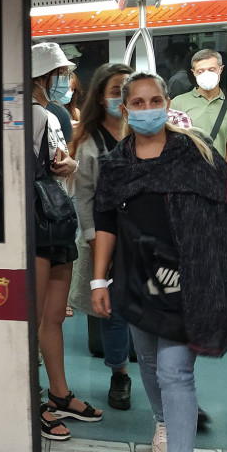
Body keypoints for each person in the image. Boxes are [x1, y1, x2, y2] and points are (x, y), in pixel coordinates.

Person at [92, 71, 227, 452]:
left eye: (155, 100)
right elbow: (106, 223)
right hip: (137, 279)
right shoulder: (116, 163)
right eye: (138, 102)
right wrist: (99, 279)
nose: (147, 109)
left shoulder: (193, 151)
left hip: (189, 278)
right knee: (149, 363)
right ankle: (164, 423)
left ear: (166, 102)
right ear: (125, 107)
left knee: (175, 370)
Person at [31, 43, 100, 442]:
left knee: (53, 315)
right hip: (40, 222)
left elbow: (61, 170)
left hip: (56, 217)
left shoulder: (54, 115)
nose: (65, 81)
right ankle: (33, 398)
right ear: (43, 78)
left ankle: (59, 393)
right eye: (59, 74)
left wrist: (70, 167)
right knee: (35, 318)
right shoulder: (28, 116)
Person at [69, 63, 134, 411]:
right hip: (106, 241)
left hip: (148, 240)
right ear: (100, 96)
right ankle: (119, 374)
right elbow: (84, 200)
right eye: (115, 91)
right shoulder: (90, 143)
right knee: (114, 313)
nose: (122, 99)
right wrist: (98, 249)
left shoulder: (147, 132)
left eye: (128, 90)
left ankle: (168, 377)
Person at [169, 49, 227, 166]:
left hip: (218, 175)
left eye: (211, 70)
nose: (206, 74)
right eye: (200, 71)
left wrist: (225, 174)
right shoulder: (177, 103)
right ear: (194, 73)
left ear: (220, 69)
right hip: (186, 174)